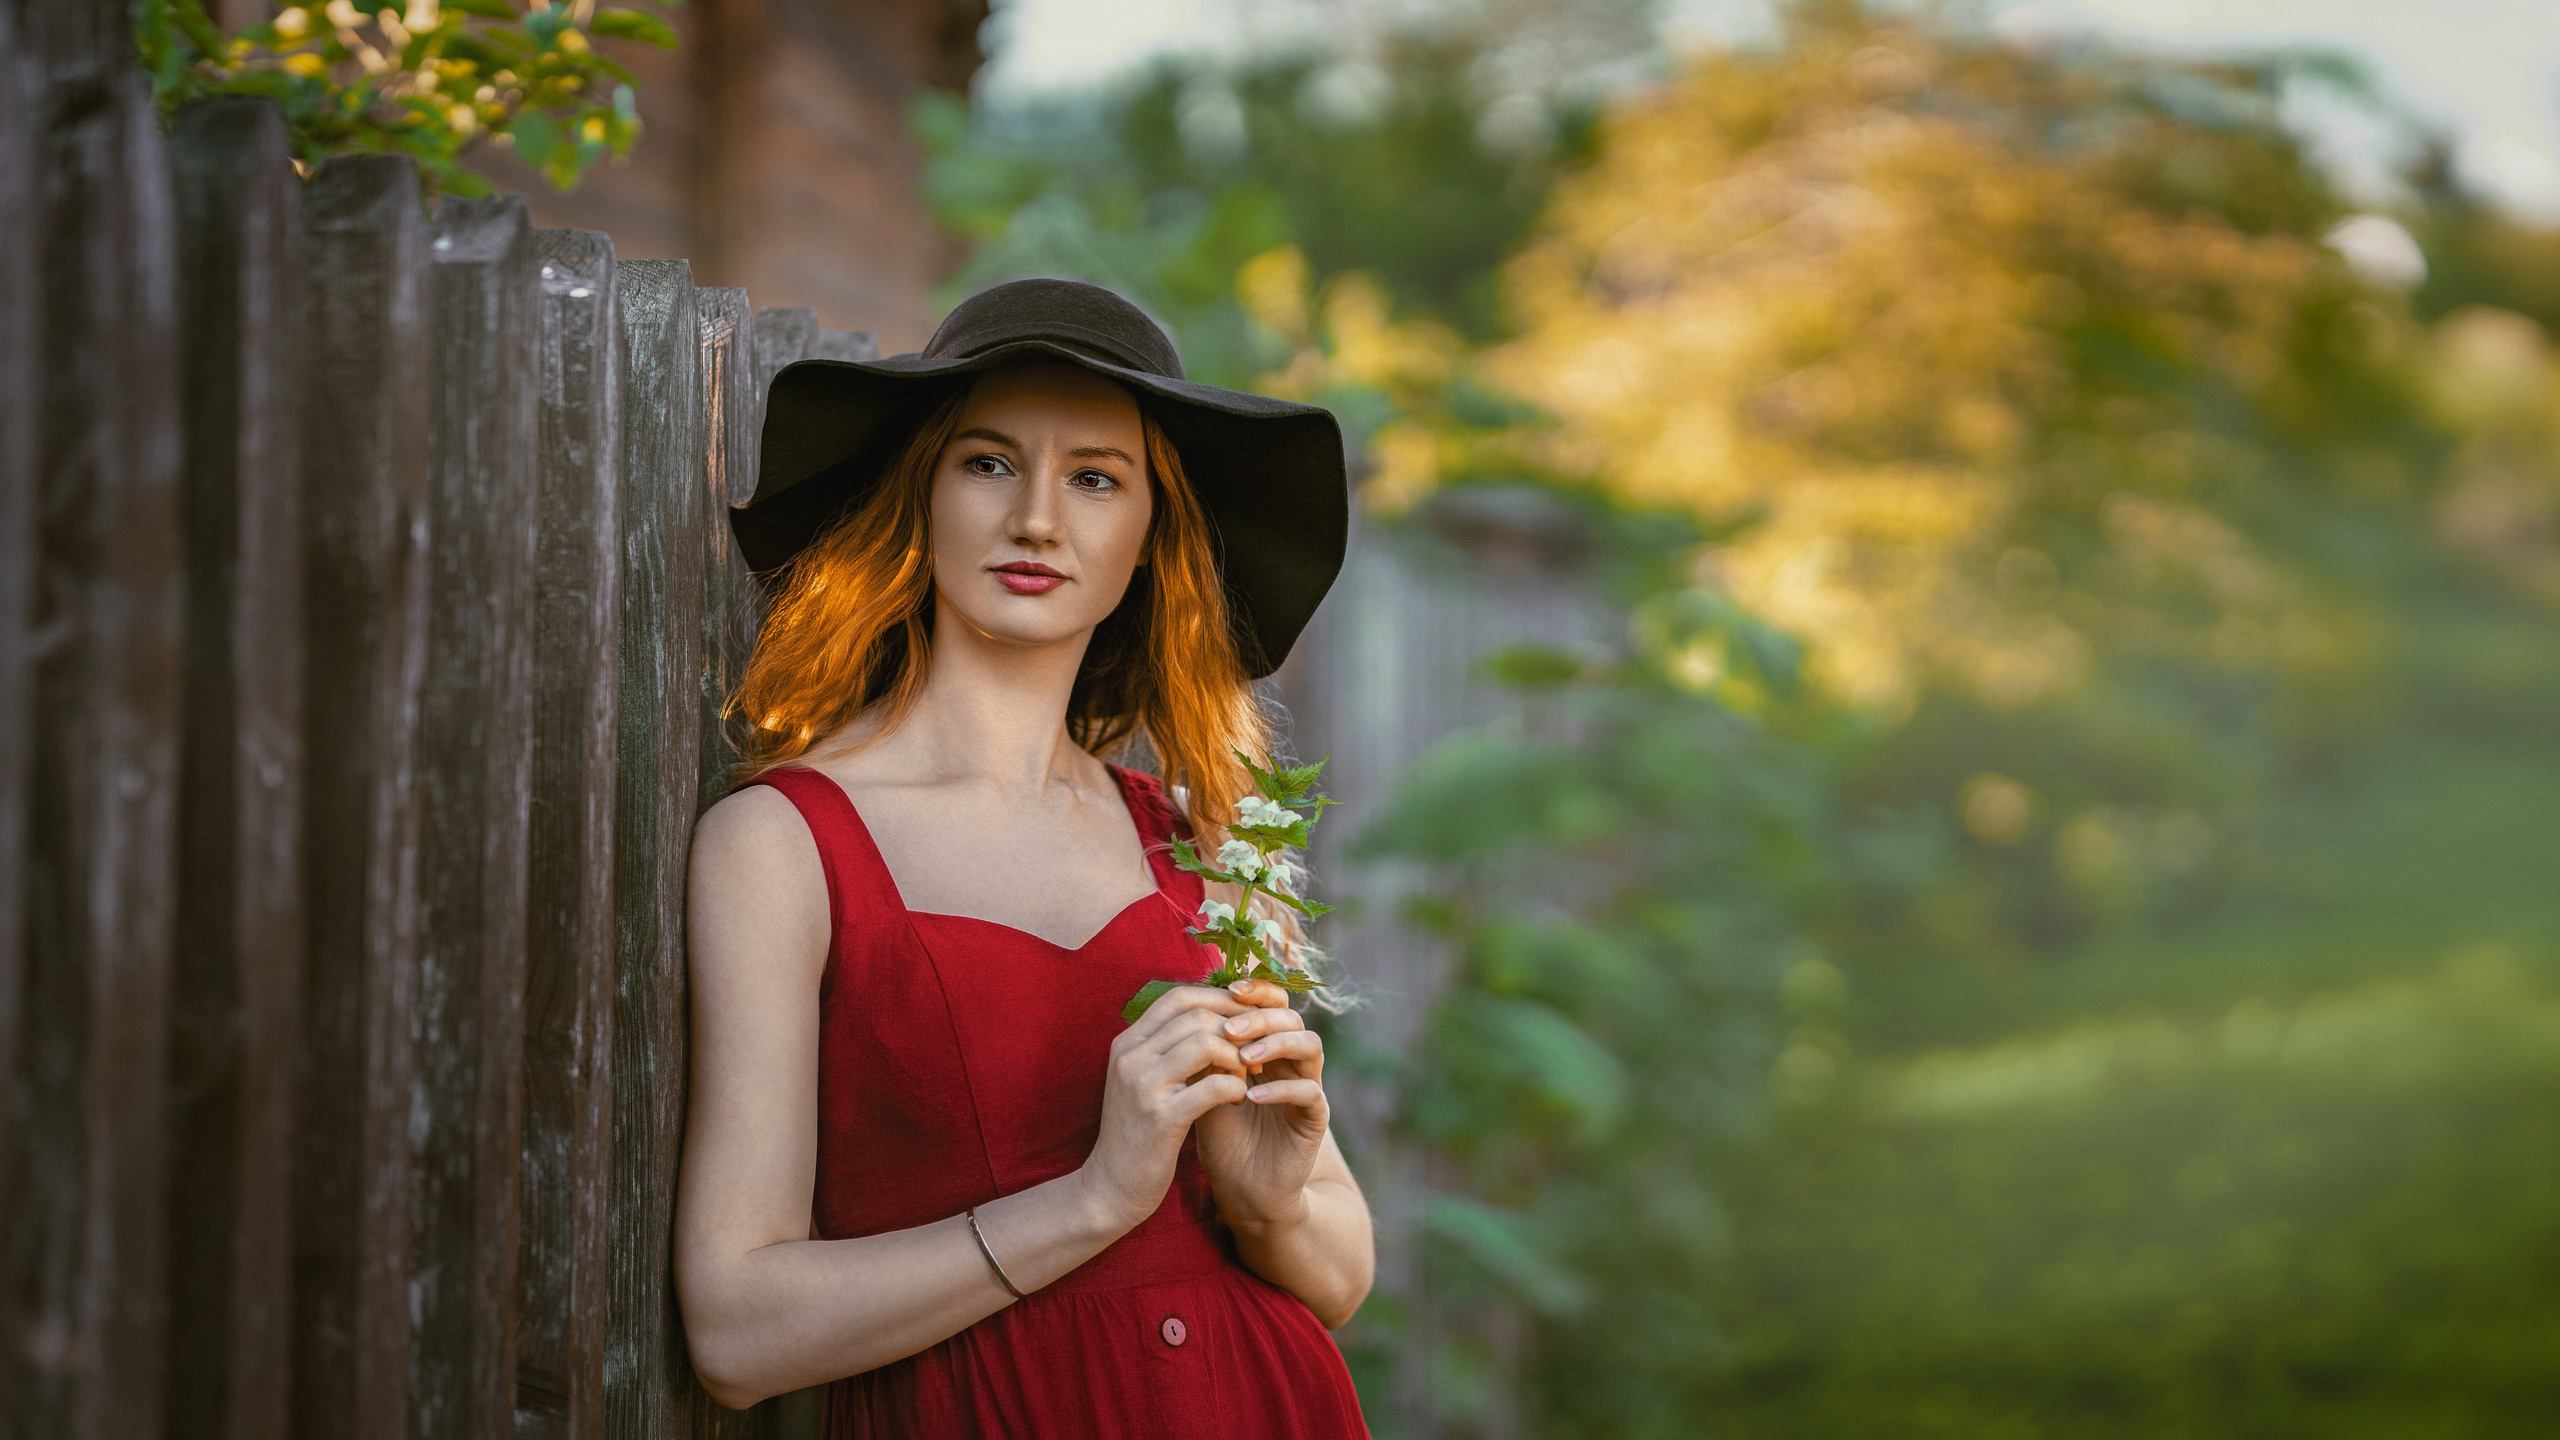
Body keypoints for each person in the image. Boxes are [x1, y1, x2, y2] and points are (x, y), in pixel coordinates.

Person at [675, 278, 1375, 1438]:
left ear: (1150, 538)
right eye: (989, 463)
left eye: (1097, 479)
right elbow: (738, 1334)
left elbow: (1341, 1274)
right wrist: (1094, 1200)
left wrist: (1268, 1204)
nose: (1039, 519)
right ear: (921, 496)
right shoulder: (783, 846)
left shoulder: (1204, 849)